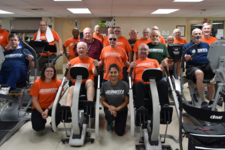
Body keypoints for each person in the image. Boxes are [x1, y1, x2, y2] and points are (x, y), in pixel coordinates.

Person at [128, 43, 169, 109]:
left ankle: (165, 106)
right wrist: (131, 68)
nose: (143, 51)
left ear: (148, 52)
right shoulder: (134, 63)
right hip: (140, 87)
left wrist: (164, 67)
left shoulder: (154, 61)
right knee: (139, 84)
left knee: (163, 83)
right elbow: (131, 78)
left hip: (154, 86)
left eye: (145, 49)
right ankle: (140, 108)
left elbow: (160, 75)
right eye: (141, 49)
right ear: (138, 51)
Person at [183, 28, 215, 107]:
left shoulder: (206, 45)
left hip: (206, 66)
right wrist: (185, 58)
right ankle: (203, 101)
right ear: (192, 36)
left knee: (215, 69)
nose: (198, 35)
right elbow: (182, 58)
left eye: (199, 34)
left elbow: (211, 56)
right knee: (199, 73)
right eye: (196, 34)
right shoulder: (187, 46)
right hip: (192, 67)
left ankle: (211, 101)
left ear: (202, 35)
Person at [30, 63, 62, 131]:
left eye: (51, 71)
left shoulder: (58, 82)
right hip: (39, 107)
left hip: (52, 106)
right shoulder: (37, 83)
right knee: (38, 127)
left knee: (61, 112)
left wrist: (48, 109)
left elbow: (57, 98)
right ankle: (42, 121)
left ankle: (53, 123)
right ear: (43, 72)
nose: (49, 73)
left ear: (54, 72)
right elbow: (34, 100)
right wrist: (42, 112)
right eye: (47, 71)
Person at [65, 42, 98, 107]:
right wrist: (68, 69)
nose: (81, 49)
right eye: (79, 48)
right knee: (71, 88)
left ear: (86, 49)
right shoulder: (72, 61)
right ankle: (67, 109)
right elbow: (68, 78)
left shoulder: (92, 61)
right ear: (77, 50)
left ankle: (90, 105)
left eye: (83, 48)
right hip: (76, 84)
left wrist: (96, 66)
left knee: (89, 81)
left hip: (87, 84)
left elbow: (95, 73)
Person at [101, 64, 129, 135]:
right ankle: (109, 122)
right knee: (110, 116)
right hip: (109, 109)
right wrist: (110, 107)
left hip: (121, 110)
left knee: (120, 133)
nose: (113, 74)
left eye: (115, 72)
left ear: (118, 73)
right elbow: (103, 101)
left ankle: (118, 121)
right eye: (111, 72)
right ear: (108, 73)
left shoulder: (124, 84)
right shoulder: (105, 85)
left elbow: (126, 101)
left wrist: (116, 109)